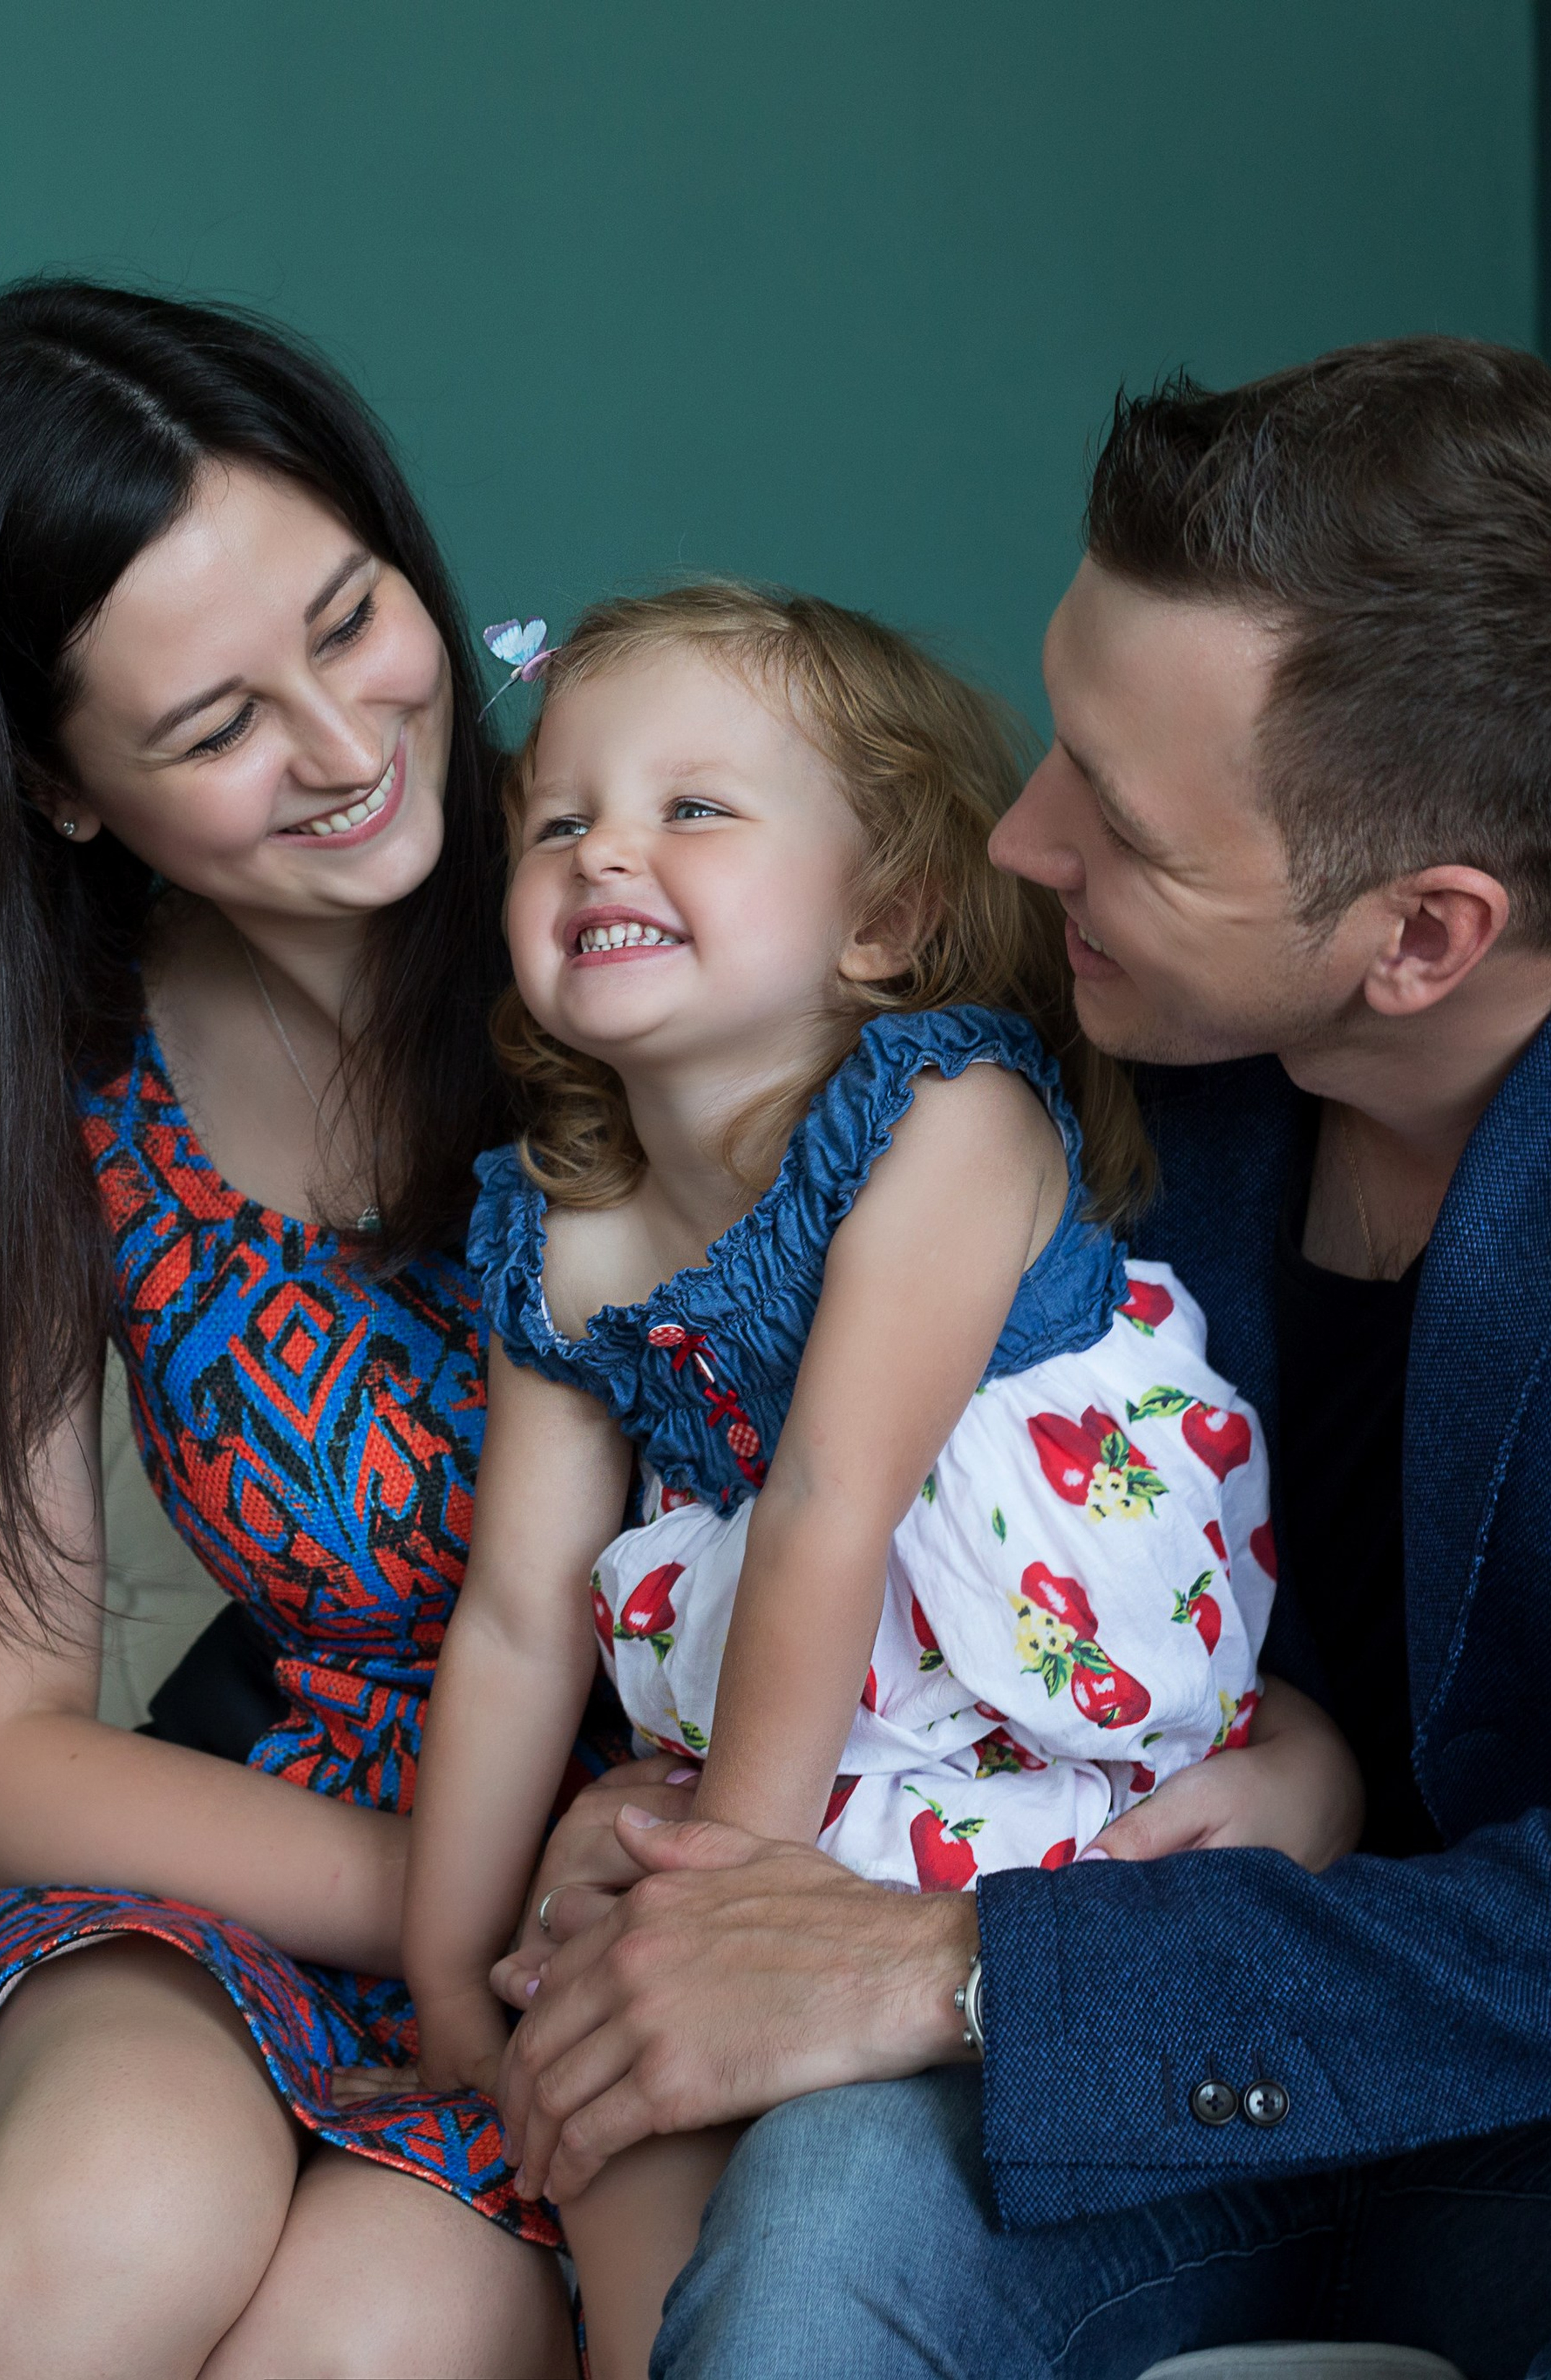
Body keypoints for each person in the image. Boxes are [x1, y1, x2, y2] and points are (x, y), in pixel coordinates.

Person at [488, 340, 1551, 2380]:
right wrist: (625, 1819)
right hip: (1090, 2044)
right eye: (1061, 740)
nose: (1019, 839)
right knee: (812, 2255)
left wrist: (971, 1976)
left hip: (1484, 2104)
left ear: (1423, 938)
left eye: (1128, 828)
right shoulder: (1053, 1072)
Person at [400, 586, 1290, 2376]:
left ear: (883, 918)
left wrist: (717, 1905)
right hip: (804, 1751)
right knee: (608, 2080)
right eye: (560, 821)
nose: (605, 854)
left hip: (1048, 1723)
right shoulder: (559, 1231)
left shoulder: (947, 1109)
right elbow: (514, 1624)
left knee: (684, 1993)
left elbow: (829, 1504)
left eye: (693, 810)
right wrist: (449, 1986)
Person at [0, 279, 582, 2378]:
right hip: (299, 1845)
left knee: (350, 2352)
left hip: (642, 1896)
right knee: (69, 2254)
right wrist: (426, 1892)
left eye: (351, 622)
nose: (343, 752)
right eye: (215, 729)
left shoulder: (657, 905)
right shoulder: (55, 1089)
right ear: (61, 793)